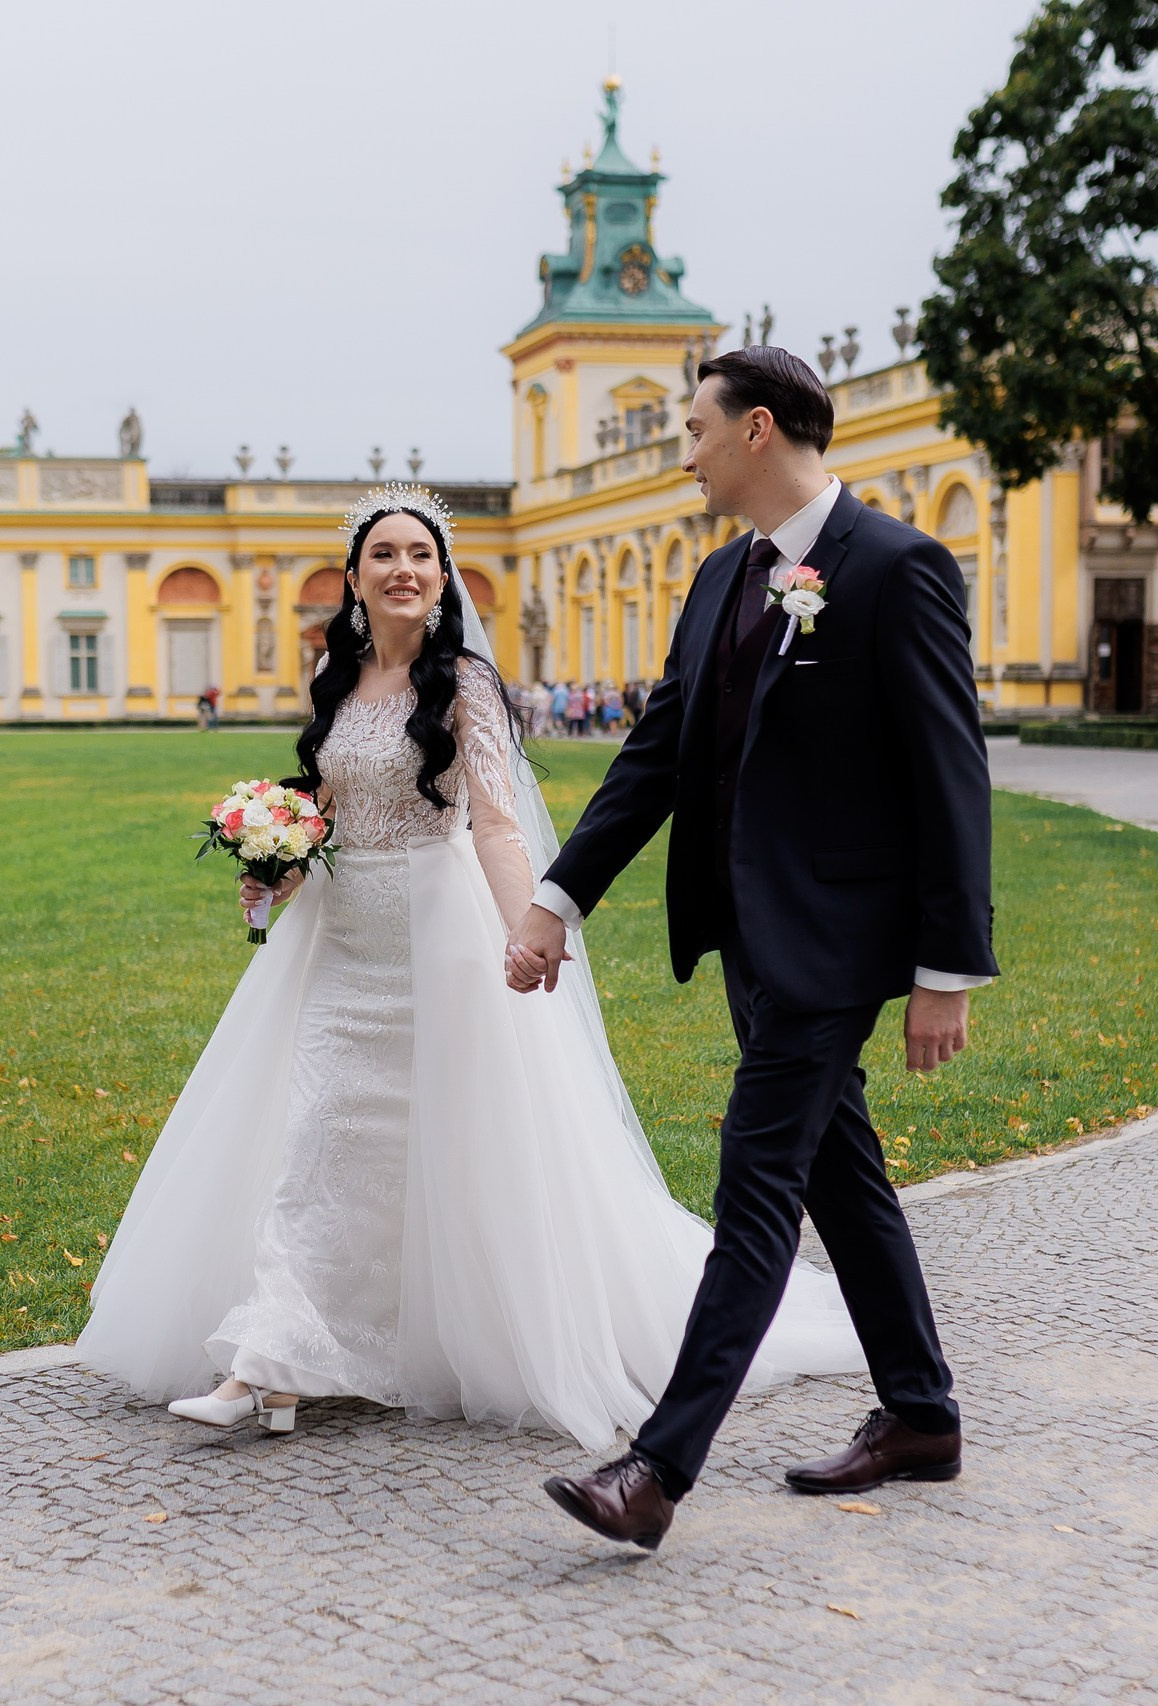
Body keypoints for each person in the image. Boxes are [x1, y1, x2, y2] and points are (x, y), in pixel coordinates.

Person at [80, 484, 862, 1453]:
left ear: (442, 576)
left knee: (435, 1144)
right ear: (356, 578)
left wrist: (524, 926)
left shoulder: (469, 686)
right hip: (339, 940)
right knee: (315, 1134)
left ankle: (290, 1362)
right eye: (383, 556)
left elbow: (493, 822)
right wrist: (272, 862)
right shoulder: (336, 669)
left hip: (435, 935)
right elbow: (320, 794)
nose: (402, 569)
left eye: (420, 554)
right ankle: (269, 1361)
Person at [511, 346, 994, 1550]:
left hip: (837, 941)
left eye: (693, 429)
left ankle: (656, 1469)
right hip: (745, 935)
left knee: (758, 1181)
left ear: (758, 431)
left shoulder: (895, 565)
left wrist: (946, 970)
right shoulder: (721, 576)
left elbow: (952, 777)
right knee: (840, 1171)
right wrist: (557, 896)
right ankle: (922, 1415)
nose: (680, 450)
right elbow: (656, 759)